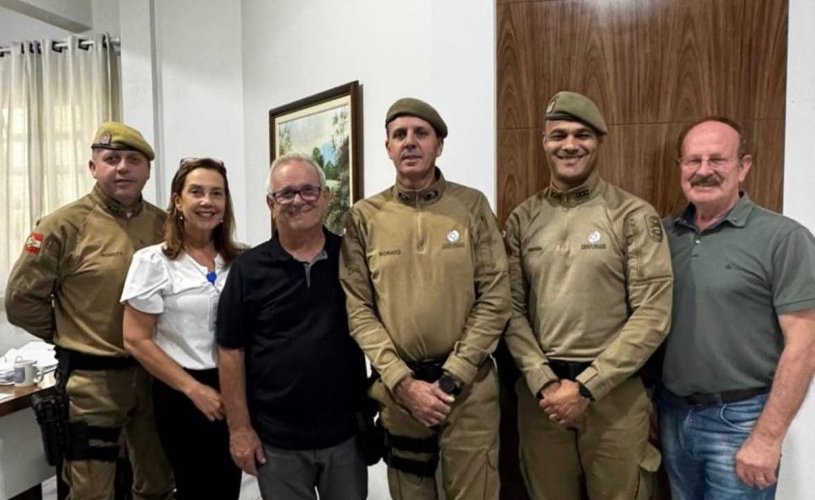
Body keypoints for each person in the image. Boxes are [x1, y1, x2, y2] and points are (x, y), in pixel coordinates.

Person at [503, 91, 673, 500]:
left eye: (582, 134)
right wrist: (544, 381)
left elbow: (653, 312)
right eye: (557, 134)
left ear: (599, 141)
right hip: (541, 399)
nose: (569, 144)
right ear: (544, 142)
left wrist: (587, 387)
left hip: (613, 396)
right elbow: (508, 308)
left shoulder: (632, 215)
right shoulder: (523, 218)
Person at [340, 97, 511, 500]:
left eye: (421, 133)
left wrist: (453, 376)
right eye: (399, 135)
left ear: (439, 144)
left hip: (468, 393)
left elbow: (495, 296)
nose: (410, 142)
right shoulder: (364, 217)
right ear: (387, 147)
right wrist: (402, 383)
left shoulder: (471, 206)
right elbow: (358, 308)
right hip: (402, 395)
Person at [5, 122, 173, 499]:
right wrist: (70, 331)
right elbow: (20, 302)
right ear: (93, 167)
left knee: (158, 484)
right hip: (92, 383)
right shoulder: (63, 227)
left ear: (147, 169)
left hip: (154, 377)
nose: (122, 167)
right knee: (91, 491)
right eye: (111, 159)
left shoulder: (165, 225)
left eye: (133, 160)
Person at [659, 117, 815, 499]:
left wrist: (767, 437)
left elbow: (805, 344)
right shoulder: (662, 236)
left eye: (717, 159)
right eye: (693, 160)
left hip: (741, 420)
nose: (704, 170)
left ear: (743, 166)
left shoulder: (783, 238)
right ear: (680, 167)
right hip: (672, 414)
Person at [217, 153, 368, 500]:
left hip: (345, 435)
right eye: (286, 194)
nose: (298, 201)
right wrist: (239, 429)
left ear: (325, 197)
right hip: (277, 440)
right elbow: (230, 351)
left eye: (308, 191)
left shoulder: (352, 259)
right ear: (271, 204)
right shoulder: (248, 270)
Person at [120, 157, 243, 500]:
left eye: (216, 194)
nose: (207, 201)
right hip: (183, 392)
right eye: (197, 192)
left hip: (234, 384)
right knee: (197, 487)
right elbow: (136, 338)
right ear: (178, 200)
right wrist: (194, 390)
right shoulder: (153, 262)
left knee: (228, 484)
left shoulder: (239, 260)